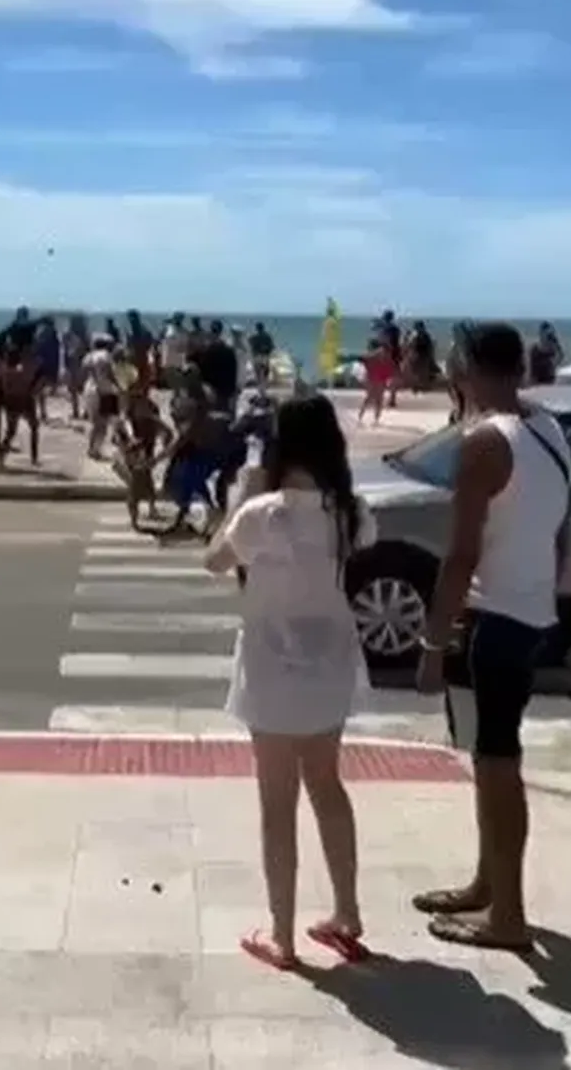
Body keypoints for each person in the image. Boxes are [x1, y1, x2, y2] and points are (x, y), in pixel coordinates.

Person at [413, 322, 571, 953]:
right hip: (532, 616)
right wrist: (537, 591)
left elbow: (460, 557)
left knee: (500, 765)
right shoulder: (547, 428)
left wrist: (430, 647)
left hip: (499, 624)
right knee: (490, 762)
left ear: (467, 367)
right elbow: (557, 537)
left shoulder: (485, 441)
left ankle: (508, 916)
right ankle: (487, 884)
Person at [204, 395, 376, 971]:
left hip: (272, 665)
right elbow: (361, 542)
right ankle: (347, 912)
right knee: (327, 785)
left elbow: (215, 560)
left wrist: (243, 494)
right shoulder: (347, 510)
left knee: (277, 801)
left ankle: (282, 934)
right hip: (330, 660)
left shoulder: (263, 512)